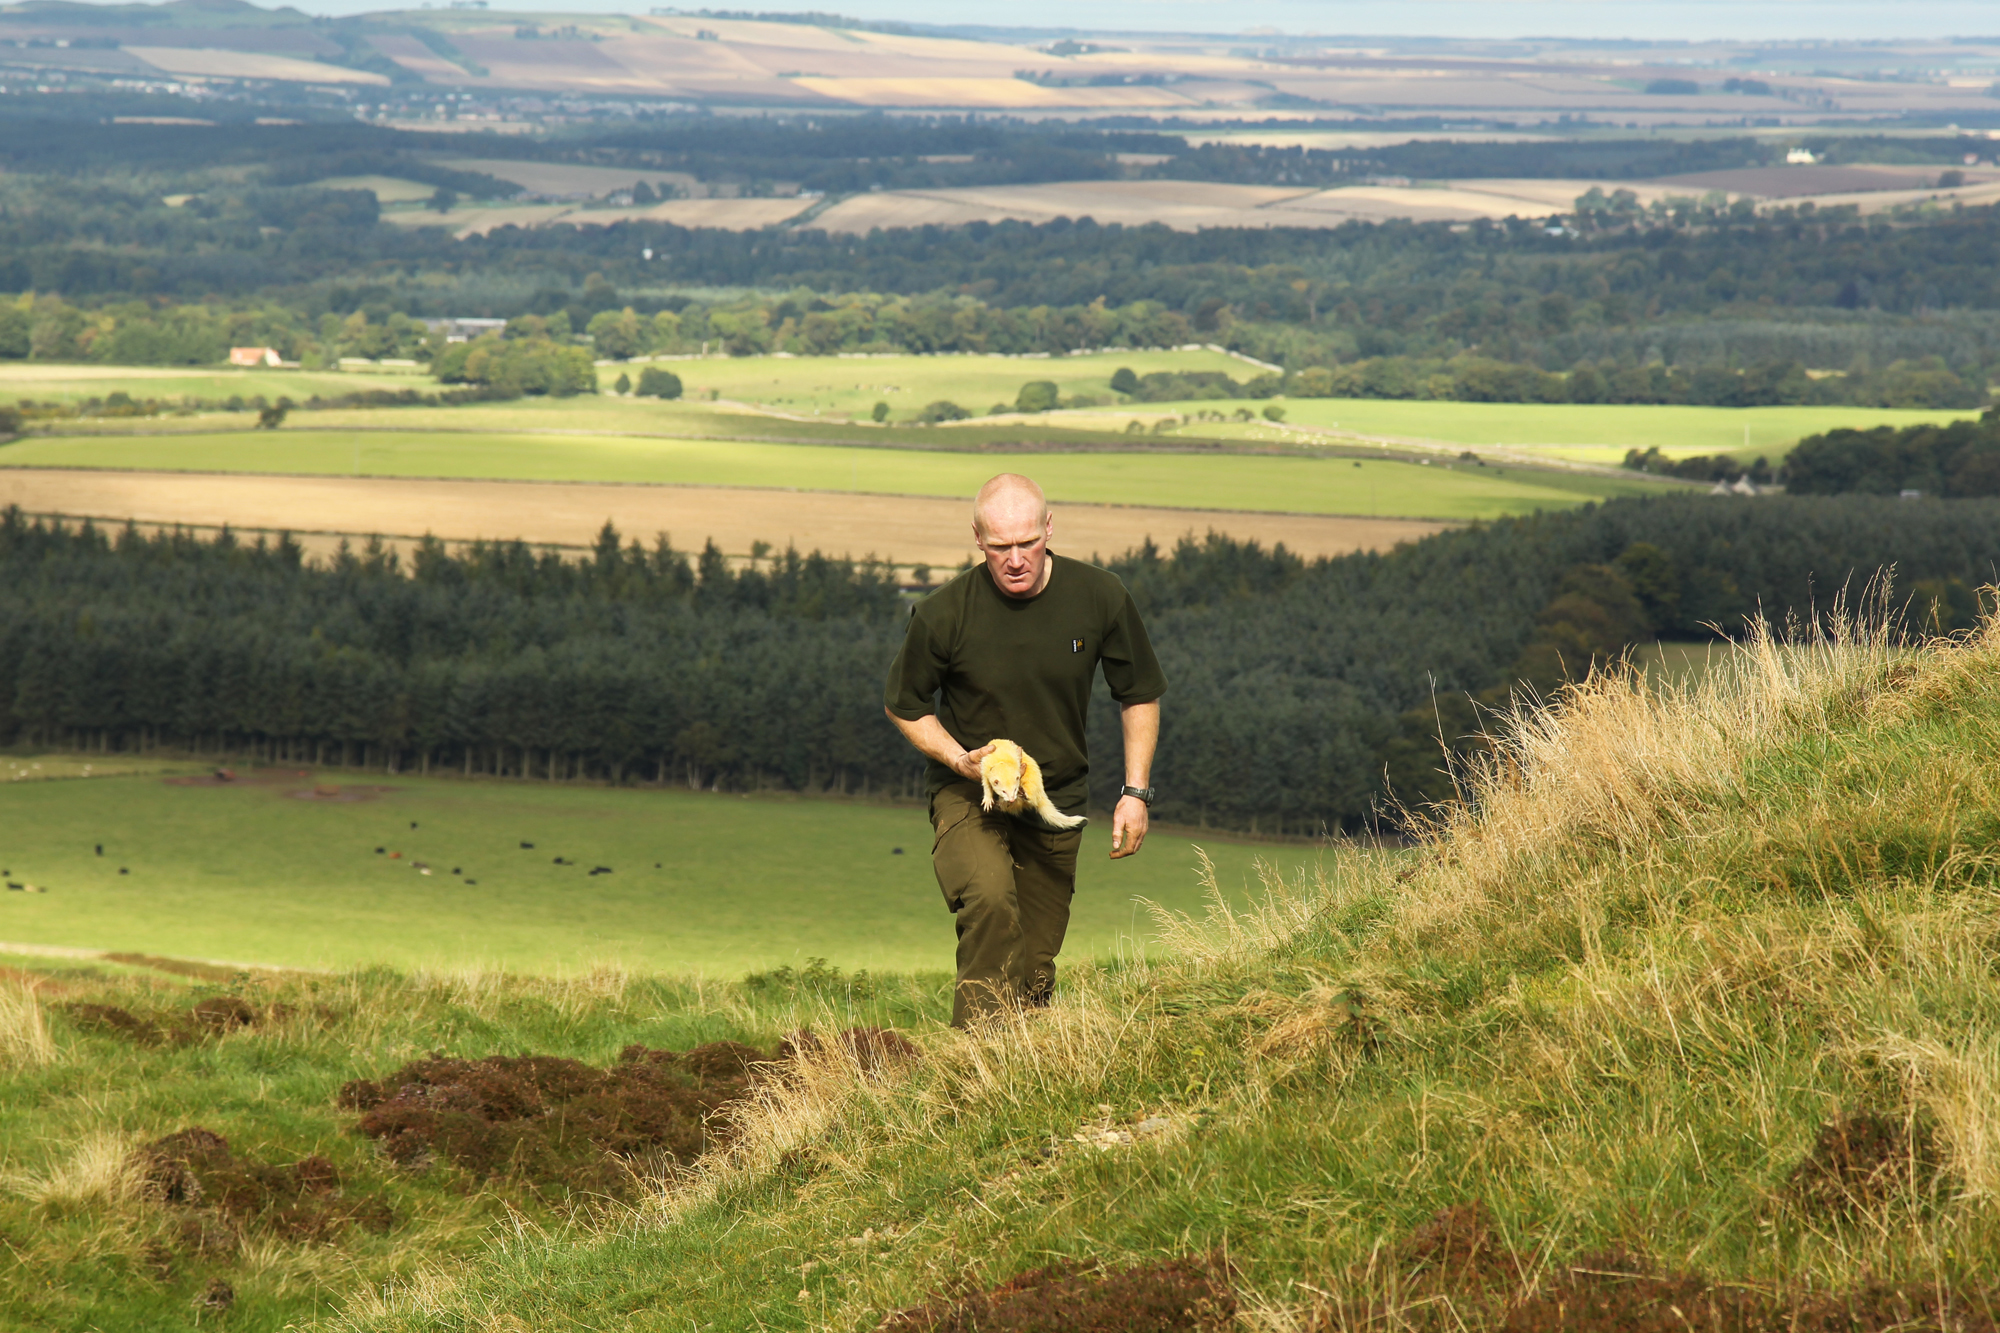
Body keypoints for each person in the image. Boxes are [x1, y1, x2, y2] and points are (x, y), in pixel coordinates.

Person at [883, 473, 1166, 1027]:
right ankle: (974, 1067)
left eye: (1027, 543)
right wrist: (957, 759)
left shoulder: (1100, 597)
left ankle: (1022, 1078)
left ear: (1049, 528)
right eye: (1000, 546)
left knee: (1034, 967)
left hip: (1053, 799)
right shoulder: (943, 614)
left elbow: (1139, 694)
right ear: (977, 539)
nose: (1016, 559)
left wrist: (1136, 792)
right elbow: (905, 704)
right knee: (989, 901)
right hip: (971, 793)